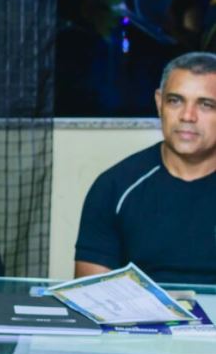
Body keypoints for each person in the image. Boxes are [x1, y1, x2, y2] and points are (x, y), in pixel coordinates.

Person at [75, 51, 216, 284]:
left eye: (206, 104)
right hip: (137, 309)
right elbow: (91, 293)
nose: (187, 116)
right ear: (159, 103)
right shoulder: (114, 187)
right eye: (175, 101)